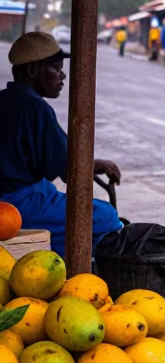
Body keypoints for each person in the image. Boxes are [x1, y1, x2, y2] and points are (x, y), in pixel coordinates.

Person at [0, 32, 122, 258]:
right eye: (56, 68)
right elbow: (68, 168)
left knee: (50, 193)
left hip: (21, 191)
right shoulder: (35, 108)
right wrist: (99, 165)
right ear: (32, 71)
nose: (62, 75)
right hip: (13, 201)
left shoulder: (5, 99)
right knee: (106, 216)